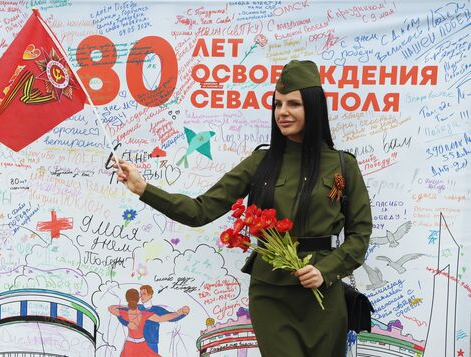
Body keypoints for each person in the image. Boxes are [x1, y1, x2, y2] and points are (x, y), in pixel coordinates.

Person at [114, 60, 372, 356]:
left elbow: (360, 235)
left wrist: (326, 270)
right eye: (277, 104)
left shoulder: (343, 165)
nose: (283, 112)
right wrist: (144, 189)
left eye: (293, 104)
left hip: (323, 295)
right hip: (271, 294)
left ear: (313, 108)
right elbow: (201, 210)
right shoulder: (260, 162)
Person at [109, 289, 189, 357]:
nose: (142, 296)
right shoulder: (144, 313)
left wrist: (126, 307)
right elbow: (161, 318)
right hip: (141, 344)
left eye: (144, 294)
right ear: (138, 298)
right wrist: (178, 313)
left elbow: (111, 308)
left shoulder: (124, 313)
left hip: (135, 344)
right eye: (141, 294)